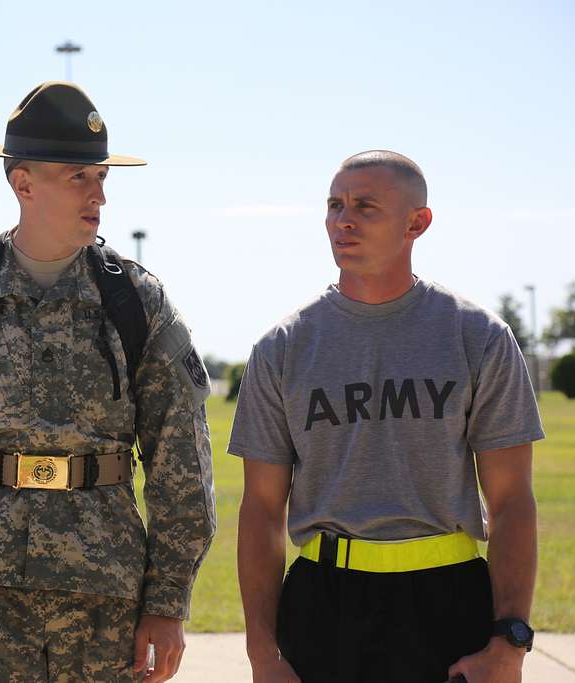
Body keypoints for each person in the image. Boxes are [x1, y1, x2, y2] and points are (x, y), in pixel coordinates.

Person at [0, 81, 216, 683]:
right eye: (78, 177)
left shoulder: (136, 302)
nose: (99, 196)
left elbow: (182, 462)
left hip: (105, 597)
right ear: (23, 183)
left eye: (102, 178)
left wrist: (167, 603)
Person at [230, 150, 544, 683]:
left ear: (416, 223)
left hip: (449, 601)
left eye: (365, 207)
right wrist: (264, 654)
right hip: (322, 605)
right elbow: (261, 510)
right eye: (335, 206)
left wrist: (508, 641)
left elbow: (512, 500)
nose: (343, 220)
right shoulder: (282, 347)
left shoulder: (478, 336)